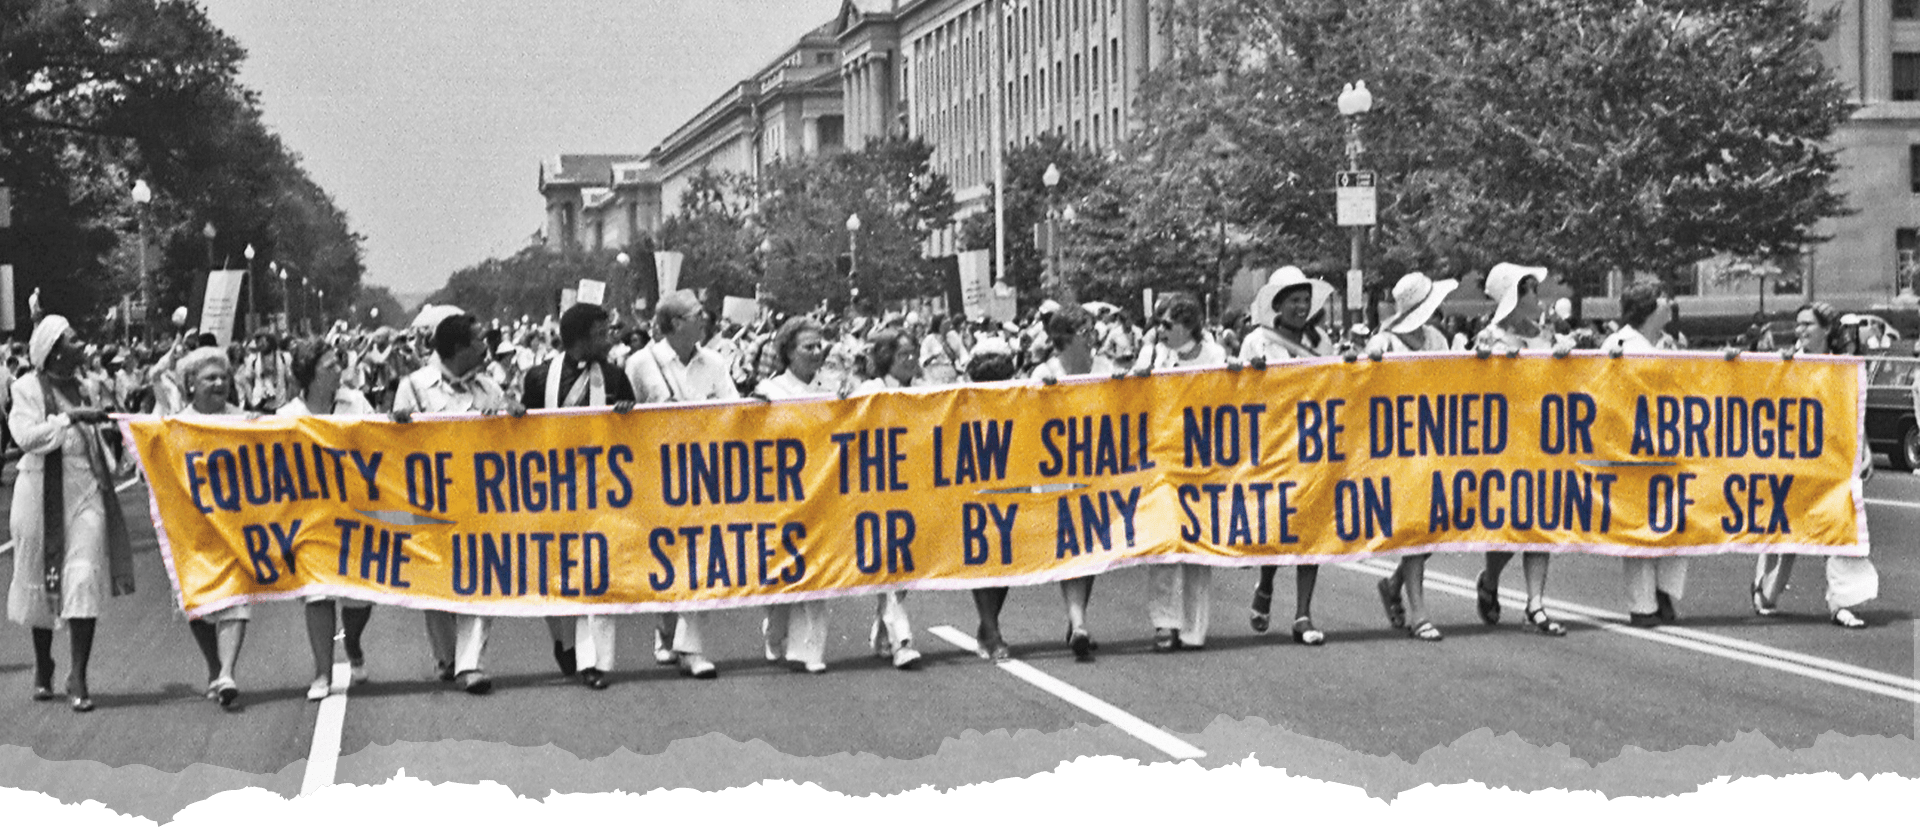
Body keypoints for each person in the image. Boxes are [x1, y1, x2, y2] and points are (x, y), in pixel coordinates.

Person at [8, 316, 135, 712]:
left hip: (84, 491)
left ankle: (78, 673)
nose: (84, 346)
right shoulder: (26, 387)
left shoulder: (85, 386)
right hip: (39, 490)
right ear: (54, 350)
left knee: (82, 575)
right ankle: (44, 662)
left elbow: (97, 437)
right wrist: (71, 417)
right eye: (75, 340)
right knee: (40, 575)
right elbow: (26, 438)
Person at [391, 311, 520, 693]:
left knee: (480, 579)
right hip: (430, 500)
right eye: (479, 340)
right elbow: (396, 444)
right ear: (460, 348)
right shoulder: (414, 386)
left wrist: (513, 416)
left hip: (481, 499)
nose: (486, 346)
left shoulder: (489, 387)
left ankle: (471, 664)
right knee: (437, 581)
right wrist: (398, 423)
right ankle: (447, 658)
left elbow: (512, 440)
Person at [520, 303, 635, 690]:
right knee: (554, 574)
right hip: (552, 489)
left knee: (598, 574)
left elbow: (638, 432)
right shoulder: (539, 378)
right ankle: (564, 640)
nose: (609, 340)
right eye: (602, 334)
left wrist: (627, 415)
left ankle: (595, 662)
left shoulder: (617, 377)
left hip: (602, 487)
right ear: (581, 338)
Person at [625, 290, 732, 679]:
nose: (704, 319)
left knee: (698, 559)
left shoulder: (716, 363)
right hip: (656, 476)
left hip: (704, 474)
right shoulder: (639, 363)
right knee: (667, 559)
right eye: (695, 314)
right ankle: (666, 633)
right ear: (674, 324)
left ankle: (691, 647)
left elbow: (732, 410)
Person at [1752, 302, 1878, 628]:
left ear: (1826, 329)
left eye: (1808, 324)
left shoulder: (1841, 367)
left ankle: (1841, 603)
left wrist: (1865, 448)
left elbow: (1852, 410)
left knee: (1837, 526)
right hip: (1790, 457)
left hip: (1830, 459)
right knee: (1783, 528)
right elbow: (1752, 390)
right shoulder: (1785, 361)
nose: (1801, 330)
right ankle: (1765, 587)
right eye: (1798, 324)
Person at [1471, 262, 1572, 636]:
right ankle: (1491, 578)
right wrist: (1488, 361)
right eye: (1529, 289)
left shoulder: (1547, 336)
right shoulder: (1491, 336)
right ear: (1514, 297)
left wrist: (1566, 359)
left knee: (1540, 523)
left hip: (1542, 441)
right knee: (1509, 525)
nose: (1537, 295)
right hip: (1504, 445)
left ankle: (1536, 603)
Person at [1238, 267, 1337, 645]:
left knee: (1310, 529)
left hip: (1314, 442)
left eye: (1305, 300)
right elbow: (1239, 391)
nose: (1301, 307)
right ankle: (1265, 583)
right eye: (1294, 300)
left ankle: (1303, 614)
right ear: (1278, 304)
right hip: (1275, 442)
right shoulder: (1256, 342)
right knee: (1278, 524)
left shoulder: (1322, 340)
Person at [278, 338, 378, 701]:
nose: (339, 371)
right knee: (317, 594)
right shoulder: (287, 416)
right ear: (310, 375)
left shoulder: (355, 403)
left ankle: (352, 642)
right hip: (311, 517)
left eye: (339, 364)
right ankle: (322, 671)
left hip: (356, 512)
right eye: (330, 366)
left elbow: (379, 441)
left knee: (358, 597)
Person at [1366, 273, 1458, 642]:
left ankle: (1393, 584)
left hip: (1437, 440)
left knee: (1438, 525)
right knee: (1416, 526)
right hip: (1399, 447)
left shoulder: (1436, 338)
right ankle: (1419, 613)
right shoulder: (1384, 341)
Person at [1134, 294, 1225, 651]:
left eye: (1168, 324)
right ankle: (1164, 622)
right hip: (1162, 457)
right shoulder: (1154, 354)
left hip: (1203, 459)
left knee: (1197, 546)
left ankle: (1193, 628)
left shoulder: (1214, 356)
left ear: (1188, 325)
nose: (1161, 330)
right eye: (1158, 323)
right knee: (1162, 541)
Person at [1600, 282, 1690, 627]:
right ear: (1650, 305)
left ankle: (1665, 590)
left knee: (1678, 520)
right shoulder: (1619, 344)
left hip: (1670, 445)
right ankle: (1643, 605)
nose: (1671, 302)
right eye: (1665, 297)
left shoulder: (1668, 344)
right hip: (1631, 448)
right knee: (1639, 525)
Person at [1029, 303, 1117, 660]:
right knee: (1071, 545)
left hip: (1097, 467)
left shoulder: (1104, 367)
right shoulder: (1044, 371)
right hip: (1059, 470)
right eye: (1085, 331)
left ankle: (1076, 617)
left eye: (1093, 329)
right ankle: (1078, 622)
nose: (1092, 336)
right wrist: (1042, 393)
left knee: (1091, 548)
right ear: (1065, 338)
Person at [755, 316, 838, 673]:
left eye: (820, 346)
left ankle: (810, 651)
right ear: (789, 352)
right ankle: (775, 632)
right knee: (785, 569)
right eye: (809, 347)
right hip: (783, 494)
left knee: (819, 570)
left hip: (824, 491)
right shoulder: (770, 392)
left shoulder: (833, 387)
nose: (817, 353)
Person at [175, 346, 254, 706]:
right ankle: (214, 664)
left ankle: (227, 673)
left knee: (236, 598)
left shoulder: (243, 421)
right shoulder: (174, 425)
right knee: (198, 603)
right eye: (210, 378)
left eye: (223, 377)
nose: (219, 383)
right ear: (191, 384)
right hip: (193, 529)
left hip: (235, 527)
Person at [852, 328, 926, 669]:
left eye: (913, 354)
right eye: (902, 355)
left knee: (903, 566)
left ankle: (883, 632)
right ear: (886, 359)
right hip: (877, 487)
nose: (910, 361)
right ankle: (902, 640)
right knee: (890, 564)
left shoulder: (924, 392)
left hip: (913, 485)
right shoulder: (870, 390)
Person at [963, 338, 1022, 660]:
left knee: (1005, 561)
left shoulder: (1020, 395)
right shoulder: (958, 399)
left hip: (1011, 484)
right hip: (974, 485)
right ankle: (993, 630)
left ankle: (988, 625)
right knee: (982, 558)